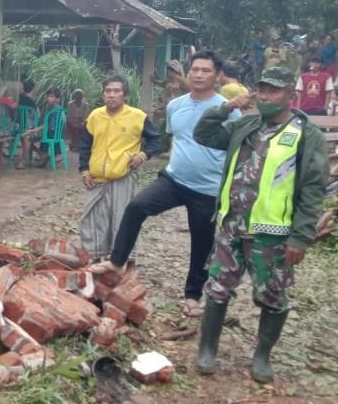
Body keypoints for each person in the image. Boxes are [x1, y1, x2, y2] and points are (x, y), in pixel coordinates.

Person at [192, 67, 328, 383]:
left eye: (274, 91)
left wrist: (301, 236)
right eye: (262, 90)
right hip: (231, 226)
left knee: (273, 295)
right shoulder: (246, 125)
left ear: (290, 96)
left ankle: (262, 355)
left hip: (272, 234)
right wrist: (226, 106)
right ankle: (207, 350)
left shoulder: (307, 136)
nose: (266, 96)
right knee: (217, 288)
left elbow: (312, 189)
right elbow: (204, 134)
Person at [87, 51, 240, 318]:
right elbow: (176, 140)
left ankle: (193, 296)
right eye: (195, 70)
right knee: (136, 206)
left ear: (217, 76)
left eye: (206, 71)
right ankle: (117, 261)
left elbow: (237, 149)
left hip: (207, 188)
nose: (199, 75)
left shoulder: (229, 110)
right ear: (187, 73)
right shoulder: (175, 105)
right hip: (174, 179)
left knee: (201, 242)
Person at [78, 76, 162, 259]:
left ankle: (121, 258)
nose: (111, 95)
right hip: (97, 177)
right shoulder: (95, 116)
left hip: (123, 175)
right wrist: (84, 170)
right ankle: (94, 256)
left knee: (122, 218)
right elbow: (84, 144)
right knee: (92, 217)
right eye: (108, 91)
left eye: (116, 91)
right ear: (103, 94)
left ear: (125, 95)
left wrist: (142, 155)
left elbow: (157, 140)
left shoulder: (137, 117)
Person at [20, 87, 64, 168]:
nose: (48, 98)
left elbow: (47, 125)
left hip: (50, 133)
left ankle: (24, 160)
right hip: (52, 132)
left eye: (52, 97)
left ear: (57, 99)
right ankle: (42, 154)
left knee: (26, 136)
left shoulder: (53, 109)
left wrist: (33, 130)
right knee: (24, 136)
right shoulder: (56, 107)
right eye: (48, 96)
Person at [13, 79, 39, 169]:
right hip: (30, 128)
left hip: (19, 127)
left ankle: (41, 153)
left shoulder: (20, 97)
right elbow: (36, 115)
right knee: (27, 135)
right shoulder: (32, 102)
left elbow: (14, 107)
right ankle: (24, 160)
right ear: (33, 89)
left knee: (25, 136)